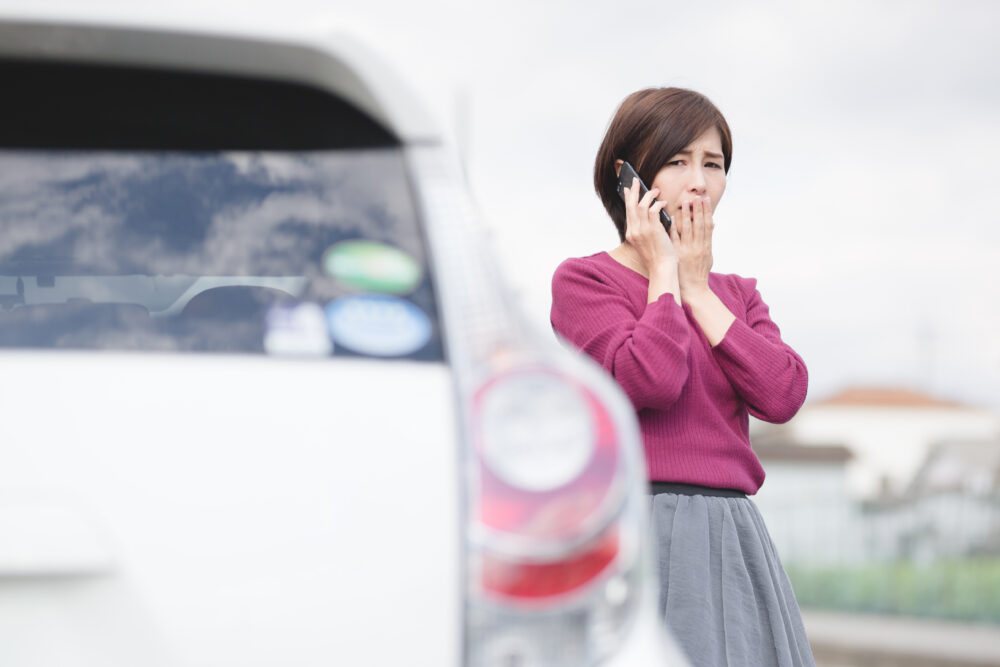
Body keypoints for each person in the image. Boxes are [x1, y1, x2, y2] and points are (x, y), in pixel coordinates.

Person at [550, 87, 815, 666]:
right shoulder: (584, 283)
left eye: (713, 164)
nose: (699, 181)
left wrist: (698, 289)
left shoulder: (738, 295)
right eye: (677, 161)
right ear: (629, 179)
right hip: (635, 533)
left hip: (732, 538)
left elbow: (784, 393)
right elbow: (650, 380)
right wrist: (666, 275)